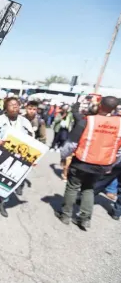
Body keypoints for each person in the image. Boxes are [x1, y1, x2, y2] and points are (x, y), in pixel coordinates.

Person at [57, 96, 121, 229]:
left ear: (100, 105)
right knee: (89, 189)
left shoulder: (88, 121)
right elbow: (119, 150)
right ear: (114, 108)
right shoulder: (119, 124)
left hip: (82, 161)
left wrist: (64, 156)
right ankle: (85, 219)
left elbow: (72, 144)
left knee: (72, 187)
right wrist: (111, 164)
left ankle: (66, 215)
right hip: (101, 165)